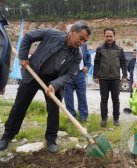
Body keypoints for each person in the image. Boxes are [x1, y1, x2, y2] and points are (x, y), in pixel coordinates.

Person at [0, 21, 91, 153]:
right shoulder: (52, 33)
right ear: (72, 32)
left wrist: (55, 85)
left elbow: (70, 75)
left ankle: (51, 140)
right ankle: (7, 137)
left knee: (54, 110)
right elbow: (28, 37)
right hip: (34, 71)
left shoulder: (77, 55)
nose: (82, 42)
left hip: (54, 80)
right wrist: (23, 57)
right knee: (19, 106)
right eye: (81, 38)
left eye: (85, 40)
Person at [93, 27, 127, 127]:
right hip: (103, 78)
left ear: (114, 36)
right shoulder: (100, 49)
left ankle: (116, 119)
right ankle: (104, 119)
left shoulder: (119, 49)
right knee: (104, 99)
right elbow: (96, 63)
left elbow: (123, 63)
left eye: (111, 36)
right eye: (107, 36)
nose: (109, 38)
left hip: (116, 79)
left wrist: (125, 75)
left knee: (115, 99)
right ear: (104, 36)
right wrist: (95, 75)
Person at [64, 24, 91, 122]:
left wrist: (87, 66)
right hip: (67, 75)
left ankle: (84, 118)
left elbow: (87, 56)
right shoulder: (65, 44)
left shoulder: (84, 44)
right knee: (68, 98)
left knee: (82, 96)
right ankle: (72, 118)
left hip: (80, 74)